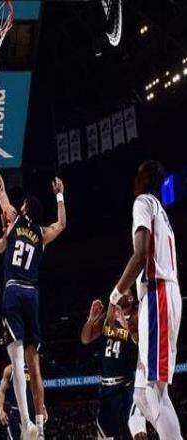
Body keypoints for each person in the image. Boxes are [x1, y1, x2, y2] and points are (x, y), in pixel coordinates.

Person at [0, 150, 66, 440]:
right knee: (34, 364)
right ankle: (40, 430)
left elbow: (0, 189)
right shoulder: (41, 233)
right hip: (33, 295)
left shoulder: (15, 220)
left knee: (16, 360)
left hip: (14, 291)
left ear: (24, 208)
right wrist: (60, 196)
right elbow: (62, 224)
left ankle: (27, 423)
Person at [106, 161, 182, 439]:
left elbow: (140, 255)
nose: (134, 178)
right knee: (141, 393)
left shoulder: (143, 202)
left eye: (138, 173)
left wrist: (115, 296)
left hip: (159, 294)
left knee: (153, 392)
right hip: (160, 294)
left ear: (146, 177)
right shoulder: (162, 213)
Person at [81, 298, 148, 439]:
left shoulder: (136, 316)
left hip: (126, 387)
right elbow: (85, 339)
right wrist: (91, 319)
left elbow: (141, 343)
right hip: (107, 388)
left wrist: (125, 324)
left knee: (138, 429)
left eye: (124, 291)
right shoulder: (107, 317)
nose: (120, 292)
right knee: (104, 436)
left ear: (131, 298)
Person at [0, 364, 48, 440]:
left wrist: (43, 407)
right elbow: (2, 391)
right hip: (16, 413)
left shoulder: (33, 369)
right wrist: (1, 410)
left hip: (32, 411)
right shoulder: (10, 369)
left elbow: (37, 391)